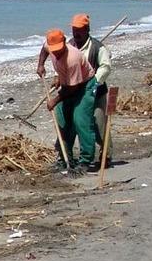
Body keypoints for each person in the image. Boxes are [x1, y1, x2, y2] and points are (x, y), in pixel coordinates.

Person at [37, 13, 113, 169]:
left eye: (80, 29)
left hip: (86, 87)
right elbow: (45, 49)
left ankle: (86, 160)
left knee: (81, 120)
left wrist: (55, 100)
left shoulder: (76, 56)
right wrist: (41, 65)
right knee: (63, 120)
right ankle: (65, 158)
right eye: (74, 29)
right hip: (69, 85)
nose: (56, 53)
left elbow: (73, 87)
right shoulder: (53, 46)